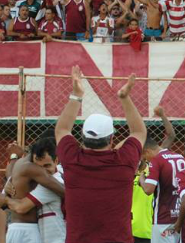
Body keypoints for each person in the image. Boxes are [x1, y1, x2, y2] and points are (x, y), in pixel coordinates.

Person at [54, 66, 147, 243]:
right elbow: (138, 132)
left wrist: (77, 94)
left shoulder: (72, 159)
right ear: (111, 139)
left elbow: (62, 128)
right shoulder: (124, 161)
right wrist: (125, 98)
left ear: (82, 137)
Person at [0, 137, 65, 243]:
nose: (42, 171)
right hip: (33, 233)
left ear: (56, 161)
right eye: (38, 167)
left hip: (49, 236)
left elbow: (21, 207)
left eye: (47, 165)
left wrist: (5, 199)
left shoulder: (50, 183)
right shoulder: (36, 176)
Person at [132, 106, 176, 243]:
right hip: (134, 226)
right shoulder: (129, 169)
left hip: (155, 225)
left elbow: (171, 135)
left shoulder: (158, 161)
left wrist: (163, 115)